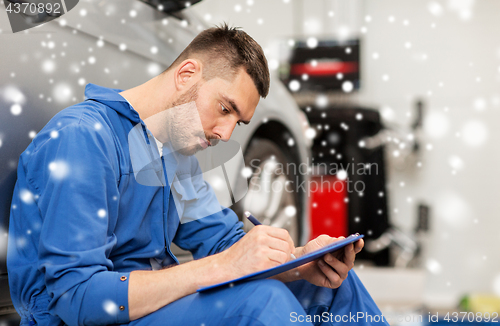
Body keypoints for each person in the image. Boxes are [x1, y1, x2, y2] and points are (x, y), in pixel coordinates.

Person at [8, 24, 388, 326]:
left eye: (237, 122)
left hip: (153, 309)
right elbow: (78, 298)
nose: (225, 133)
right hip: (87, 319)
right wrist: (224, 266)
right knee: (261, 304)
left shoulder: (174, 154)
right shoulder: (82, 137)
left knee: (333, 288)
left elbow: (223, 241)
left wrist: (298, 262)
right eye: (224, 108)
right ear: (187, 74)